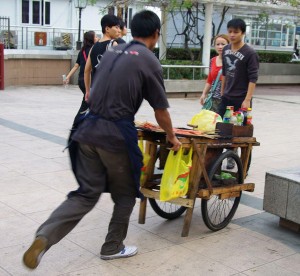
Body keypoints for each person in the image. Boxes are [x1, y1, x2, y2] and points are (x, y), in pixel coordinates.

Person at [23, 9, 181, 269]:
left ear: (130, 29)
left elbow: (92, 85)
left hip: (85, 129)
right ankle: (112, 246)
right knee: (126, 193)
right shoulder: (149, 60)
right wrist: (172, 138)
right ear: (156, 33)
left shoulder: (110, 51)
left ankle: (44, 236)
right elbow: (160, 110)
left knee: (85, 194)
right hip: (115, 136)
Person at [218, 18, 259, 118]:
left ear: (243, 33)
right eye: (230, 32)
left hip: (241, 98)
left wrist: (247, 100)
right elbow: (224, 72)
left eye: (236, 32)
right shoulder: (226, 49)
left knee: (239, 130)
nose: (232, 35)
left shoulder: (250, 53)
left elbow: (253, 78)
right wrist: (222, 92)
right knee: (220, 127)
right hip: (226, 97)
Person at [84, 14, 120, 101]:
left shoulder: (94, 47)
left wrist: (88, 91)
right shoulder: (113, 44)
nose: (119, 30)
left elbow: (86, 70)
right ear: (107, 29)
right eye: (116, 27)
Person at [64, 31, 97, 125]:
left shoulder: (82, 51)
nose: (97, 38)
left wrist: (68, 77)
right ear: (91, 38)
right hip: (89, 80)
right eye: (95, 37)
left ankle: (89, 123)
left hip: (81, 80)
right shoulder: (93, 50)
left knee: (91, 103)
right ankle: (77, 123)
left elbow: (76, 66)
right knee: (87, 103)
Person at [199, 34, 229, 112]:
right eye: (217, 44)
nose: (220, 47)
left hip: (227, 99)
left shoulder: (232, 61)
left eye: (223, 44)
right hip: (214, 99)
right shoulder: (212, 60)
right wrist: (204, 94)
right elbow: (210, 79)